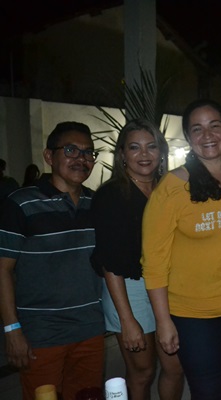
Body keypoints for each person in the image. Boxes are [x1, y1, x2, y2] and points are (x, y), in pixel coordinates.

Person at [141, 99, 221, 400]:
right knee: (208, 389)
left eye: (214, 125)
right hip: (193, 315)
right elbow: (154, 262)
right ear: (188, 137)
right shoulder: (171, 187)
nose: (207, 135)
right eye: (197, 129)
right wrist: (163, 321)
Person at [0, 122, 105, 400]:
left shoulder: (97, 204)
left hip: (90, 329)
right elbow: (3, 270)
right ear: (49, 156)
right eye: (70, 150)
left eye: (88, 152)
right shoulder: (21, 203)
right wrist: (12, 330)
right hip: (41, 333)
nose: (81, 159)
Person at [91, 119, 184, 400]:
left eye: (151, 146)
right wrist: (127, 319)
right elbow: (109, 262)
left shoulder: (170, 190)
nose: (144, 154)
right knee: (142, 371)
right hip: (128, 288)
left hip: (167, 286)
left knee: (176, 367)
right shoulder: (110, 195)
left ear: (162, 152)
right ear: (122, 154)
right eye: (134, 147)